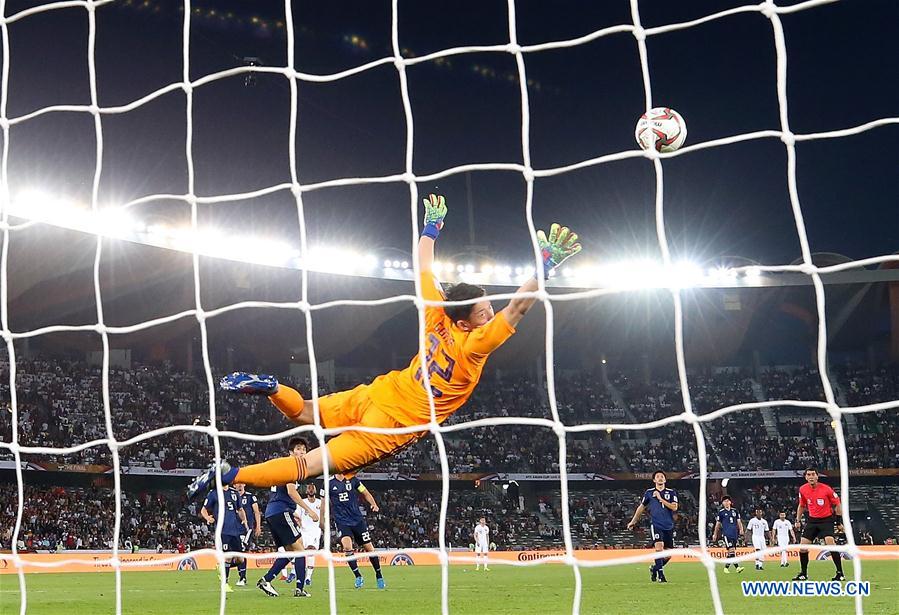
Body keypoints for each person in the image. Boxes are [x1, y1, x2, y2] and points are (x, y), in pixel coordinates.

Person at [186, 195, 581, 497]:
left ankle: (274, 389)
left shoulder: (434, 311)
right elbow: (518, 307)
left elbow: (424, 266)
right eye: (483, 311)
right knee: (307, 467)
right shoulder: (473, 345)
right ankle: (229, 476)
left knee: (305, 411)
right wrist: (544, 268)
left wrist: (432, 228)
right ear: (464, 321)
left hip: (377, 392)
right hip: (390, 426)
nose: (489, 313)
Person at [255, 437, 320, 598]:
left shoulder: (287, 466)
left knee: (292, 552)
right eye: (298, 449)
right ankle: (299, 589)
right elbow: (291, 492)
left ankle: (266, 580)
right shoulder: (291, 466)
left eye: (304, 449)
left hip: (274, 512)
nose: (302, 452)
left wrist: (293, 513)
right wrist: (308, 511)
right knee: (300, 551)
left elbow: (281, 493)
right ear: (291, 452)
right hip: (280, 511)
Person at [327, 473, 385, 589]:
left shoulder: (353, 480)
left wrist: (373, 504)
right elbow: (325, 502)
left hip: (357, 521)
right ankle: (358, 576)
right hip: (342, 522)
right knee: (347, 548)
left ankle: (379, 575)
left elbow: (365, 492)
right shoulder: (329, 483)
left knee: (369, 548)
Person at [792, 468, 845, 581]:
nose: (811, 477)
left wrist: (838, 522)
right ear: (806, 477)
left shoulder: (826, 489)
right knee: (803, 548)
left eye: (813, 474)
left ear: (817, 476)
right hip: (812, 521)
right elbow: (802, 506)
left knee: (830, 544)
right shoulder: (803, 489)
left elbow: (838, 505)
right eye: (808, 475)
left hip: (826, 520)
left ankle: (840, 573)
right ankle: (803, 573)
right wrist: (797, 520)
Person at [627, 470, 678, 583]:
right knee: (659, 549)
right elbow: (641, 508)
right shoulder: (649, 493)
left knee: (668, 554)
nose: (660, 478)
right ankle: (661, 575)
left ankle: (654, 569)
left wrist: (660, 498)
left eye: (662, 477)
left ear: (665, 480)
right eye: (657, 477)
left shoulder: (671, 492)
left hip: (668, 525)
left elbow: (674, 507)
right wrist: (633, 521)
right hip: (656, 524)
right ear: (654, 480)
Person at [200, 483, 249, 591]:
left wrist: (244, 521)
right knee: (228, 557)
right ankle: (225, 583)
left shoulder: (234, 493)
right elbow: (203, 510)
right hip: (223, 531)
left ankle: (221, 567)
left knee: (240, 559)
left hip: (235, 530)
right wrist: (208, 517)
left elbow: (240, 509)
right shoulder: (214, 493)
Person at [297, 483, 323, 587]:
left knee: (311, 551)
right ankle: (295, 573)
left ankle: (308, 577)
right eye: (309, 488)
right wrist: (299, 525)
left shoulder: (320, 502)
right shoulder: (302, 503)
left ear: (315, 491)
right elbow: (297, 516)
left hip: (315, 530)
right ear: (306, 491)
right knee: (300, 552)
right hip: (304, 530)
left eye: (313, 488)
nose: (311, 490)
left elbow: (324, 516)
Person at [711, 495, 744, 573]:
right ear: (722, 503)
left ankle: (726, 568)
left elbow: (739, 521)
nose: (726, 503)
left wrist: (741, 529)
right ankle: (737, 568)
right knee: (731, 550)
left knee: (731, 552)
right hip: (726, 534)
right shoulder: (721, 512)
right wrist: (715, 534)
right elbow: (718, 524)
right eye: (724, 501)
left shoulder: (735, 511)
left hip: (734, 534)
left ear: (730, 502)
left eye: (727, 501)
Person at [235, 483, 261, 555]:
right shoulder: (231, 496)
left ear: (244, 484)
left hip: (247, 527)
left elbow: (256, 512)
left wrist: (258, 526)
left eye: (241, 483)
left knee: (244, 549)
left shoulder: (250, 496)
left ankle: (242, 566)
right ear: (234, 485)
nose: (240, 485)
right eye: (237, 483)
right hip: (233, 527)